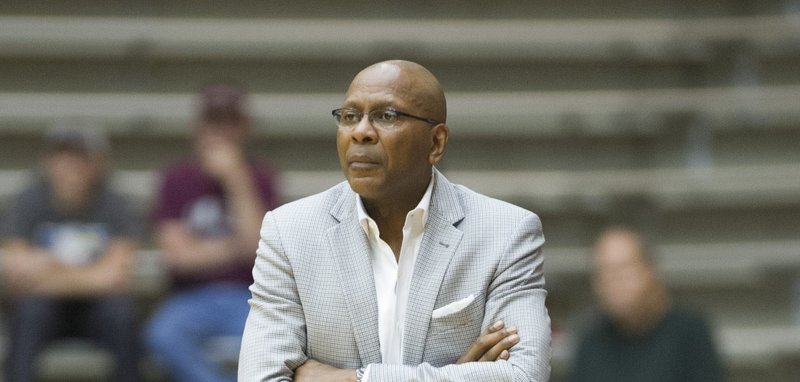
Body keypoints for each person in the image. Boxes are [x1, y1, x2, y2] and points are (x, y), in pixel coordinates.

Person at [238, 60, 551, 381]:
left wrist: (357, 378)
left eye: (386, 116)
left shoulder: (506, 231)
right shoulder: (290, 232)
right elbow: (260, 376)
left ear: (436, 143)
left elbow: (523, 375)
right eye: (349, 117)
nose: (360, 132)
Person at [144, 84, 279, 382]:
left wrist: (236, 179)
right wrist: (238, 246)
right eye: (212, 122)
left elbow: (259, 248)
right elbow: (179, 258)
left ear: (244, 127)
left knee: (280, 343)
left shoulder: (262, 177)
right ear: (199, 127)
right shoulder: (175, 178)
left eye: (229, 122)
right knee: (162, 336)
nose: (220, 132)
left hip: (251, 296)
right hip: (190, 297)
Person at [0, 125, 141, 382]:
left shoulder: (115, 203)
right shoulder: (28, 200)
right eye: (63, 156)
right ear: (48, 161)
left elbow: (117, 276)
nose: (71, 166)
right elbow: (17, 273)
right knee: (28, 313)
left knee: (122, 315)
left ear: (98, 164)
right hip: (44, 308)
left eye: (81, 157)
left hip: (97, 309)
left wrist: (48, 265)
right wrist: (93, 274)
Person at [569, 227, 724, 382]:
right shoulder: (590, 342)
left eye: (622, 269)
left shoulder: (691, 333)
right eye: (603, 272)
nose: (612, 281)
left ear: (649, 270)